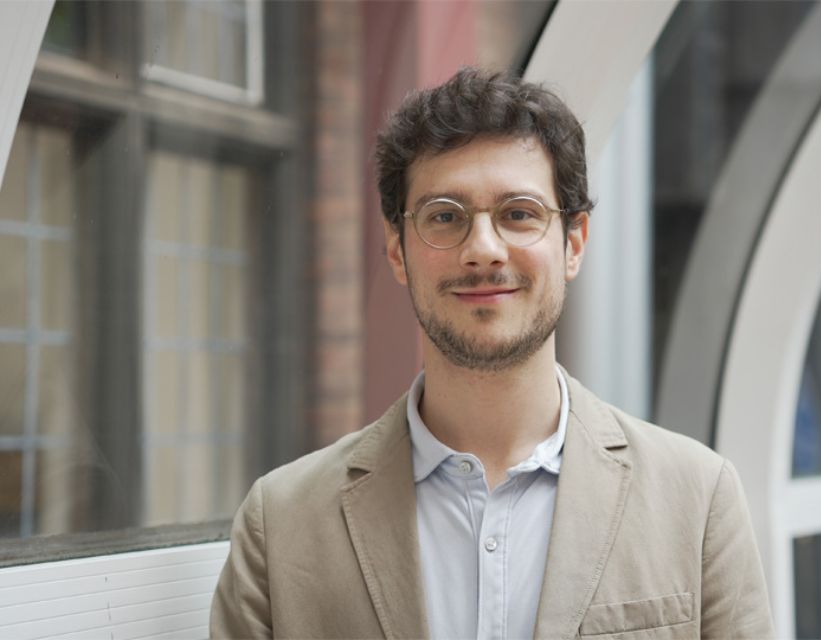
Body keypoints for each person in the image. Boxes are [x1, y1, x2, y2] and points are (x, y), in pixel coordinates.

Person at [210, 67, 775, 639]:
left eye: (519, 213)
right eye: (445, 217)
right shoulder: (280, 526)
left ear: (573, 242)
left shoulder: (698, 500)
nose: (482, 249)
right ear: (397, 251)